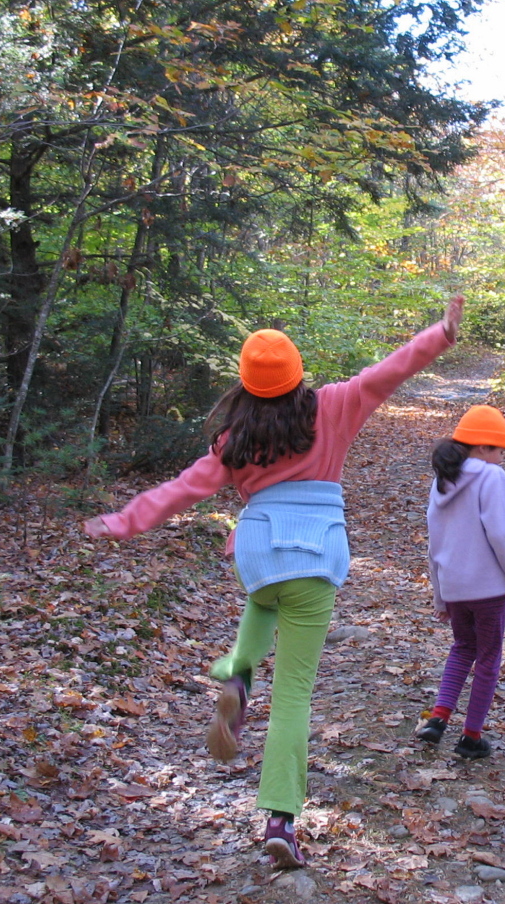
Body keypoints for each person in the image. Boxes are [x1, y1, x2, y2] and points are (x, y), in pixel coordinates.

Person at [84, 295, 463, 867]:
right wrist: (440, 333)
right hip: (313, 551)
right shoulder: (334, 406)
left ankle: (237, 673)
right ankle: (280, 819)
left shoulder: (232, 439)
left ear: (244, 382)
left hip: (258, 554)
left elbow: (180, 490)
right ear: (298, 374)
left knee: (264, 603)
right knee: (294, 696)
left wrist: (121, 521)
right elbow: (392, 370)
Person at [416, 404, 505, 760]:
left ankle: (437, 720)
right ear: (483, 447)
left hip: (454, 585)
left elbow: (434, 541)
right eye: (500, 450)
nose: (501, 458)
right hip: (486, 589)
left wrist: (440, 596)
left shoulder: (443, 480)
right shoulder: (491, 477)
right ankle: (471, 736)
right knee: (488, 657)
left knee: (462, 648)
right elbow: (501, 534)